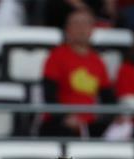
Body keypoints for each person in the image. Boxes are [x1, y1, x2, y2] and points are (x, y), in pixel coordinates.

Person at [41, 9, 114, 138]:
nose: (81, 28)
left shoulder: (98, 61)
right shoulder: (56, 56)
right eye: (76, 24)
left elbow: (108, 97)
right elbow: (49, 95)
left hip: (90, 123)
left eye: (86, 24)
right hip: (61, 122)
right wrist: (65, 117)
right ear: (67, 29)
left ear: (92, 29)